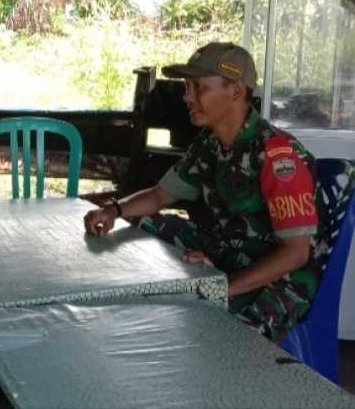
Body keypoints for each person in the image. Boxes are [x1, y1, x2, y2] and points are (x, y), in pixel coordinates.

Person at [83, 42, 328, 342]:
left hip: (277, 279)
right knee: (145, 223)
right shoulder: (209, 144)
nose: (187, 97)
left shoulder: (278, 156)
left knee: (216, 333)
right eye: (187, 87)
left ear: (235, 91)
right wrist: (113, 210)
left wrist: (221, 287)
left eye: (198, 87)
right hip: (231, 254)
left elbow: (295, 254)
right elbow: (161, 195)